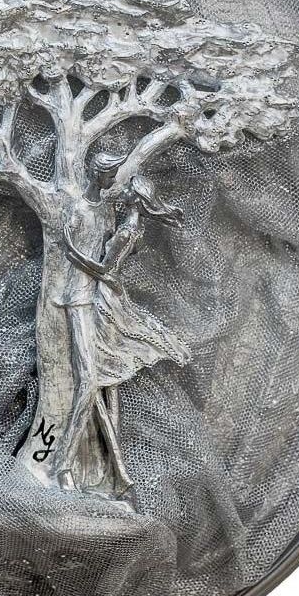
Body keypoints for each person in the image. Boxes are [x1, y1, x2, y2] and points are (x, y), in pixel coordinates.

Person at [57, 158, 190, 496]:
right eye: (113, 175)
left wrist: (72, 251)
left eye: (127, 185)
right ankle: (115, 473)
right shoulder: (112, 217)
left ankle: (71, 465)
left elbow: (105, 270)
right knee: (101, 382)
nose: (120, 183)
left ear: (136, 201)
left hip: (98, 299)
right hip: (91, 299)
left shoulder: (126, 229)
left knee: (92, 382)